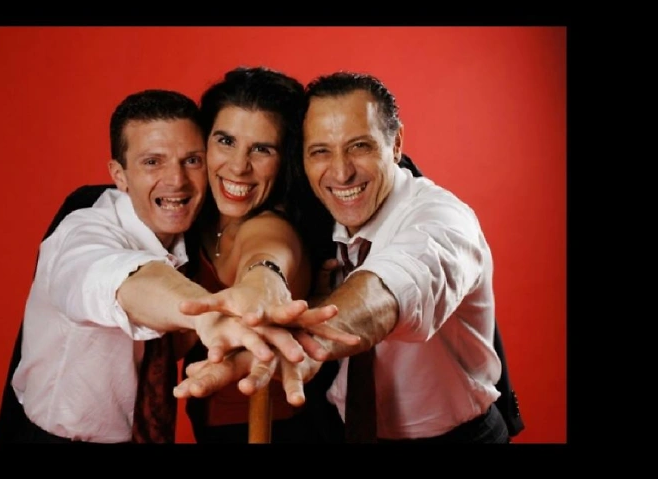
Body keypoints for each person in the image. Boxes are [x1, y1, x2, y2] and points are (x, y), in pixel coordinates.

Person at [175, 71, 510, 444]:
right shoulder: (319, 213)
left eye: (360, 146)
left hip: (455, 437)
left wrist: (309, 341)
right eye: (320, 151)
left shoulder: (441, 218)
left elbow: (388, 289)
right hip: (342, 429)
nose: (341, 171)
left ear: (396, 144)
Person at [8, 88, 336, 443]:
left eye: (191, 160)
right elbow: (122, 280)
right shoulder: (82, 231)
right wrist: (205, 315)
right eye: (152, 162)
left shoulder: (192, 231)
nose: (176, 180)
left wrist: (276, 285)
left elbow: (267, 244)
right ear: (120, 175)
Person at [176, 66, 352, 443]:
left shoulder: (274, 224)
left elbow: (269, 254)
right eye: (226, 141)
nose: (238, 166)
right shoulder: (194, 217)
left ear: (286, 159)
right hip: (212, 422)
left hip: (283, 429)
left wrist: (263, 279)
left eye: (262, 149)